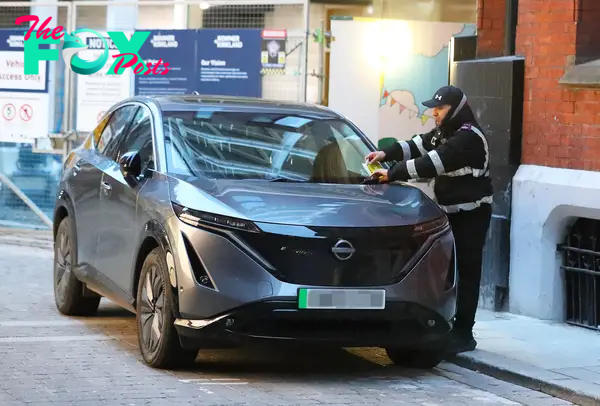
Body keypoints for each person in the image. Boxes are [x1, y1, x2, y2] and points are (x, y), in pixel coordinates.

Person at [365, 85, 493, 354]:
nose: (434, 113)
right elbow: (419, 144)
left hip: (472, 215)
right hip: (450, 213)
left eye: (439, 109)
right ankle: (446, 326)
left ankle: (464, 333)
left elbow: (432, 162)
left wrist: (392, 174)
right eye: (433, 108)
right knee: (446, 271)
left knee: (467, 272)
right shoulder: (445, 132)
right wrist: (386, 155)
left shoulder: (468, 137)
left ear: (455, 109)